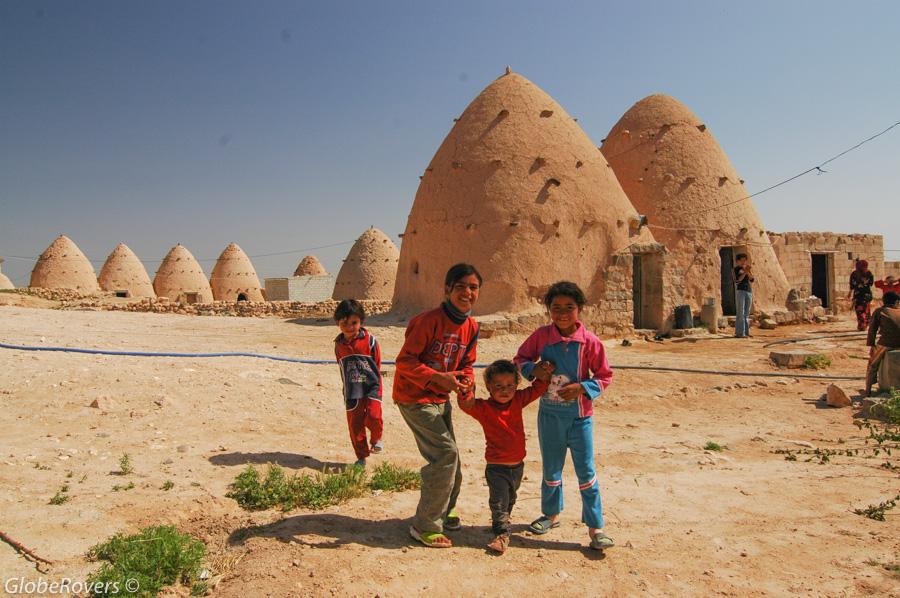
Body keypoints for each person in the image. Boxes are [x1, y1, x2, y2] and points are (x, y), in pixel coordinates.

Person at [514, 281, 615, 551]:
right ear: (548, 310)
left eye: (569, 307)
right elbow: (520, 359)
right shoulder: (542, 337)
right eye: (556, 308)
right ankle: (550, 514)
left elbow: (605, 376)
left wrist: (583, 388)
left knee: (586, 471)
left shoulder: (590, 343)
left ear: (579, 309)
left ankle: (596, 527)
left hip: (580, 418)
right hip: (549, 416)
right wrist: (534, 371)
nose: (562, 313)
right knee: (551, 468)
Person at [394, 263, 481, 548]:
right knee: (445, 455)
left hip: (440, 398)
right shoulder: (427, 321)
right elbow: (405, 362)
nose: (467, 293)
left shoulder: (471, 327)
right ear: (446, 290)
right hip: (414, 396)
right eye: (460, 287)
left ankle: (445, 509)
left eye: (473, 287)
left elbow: (466, 363)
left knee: (452, 457)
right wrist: (437, 378)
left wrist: (467, 381)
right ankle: (425, 525)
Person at [457, 359, 553, 554]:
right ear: (489, 387)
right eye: (498, 386)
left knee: (510, 499)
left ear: (517, 386)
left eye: (510, 385)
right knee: (499, 501)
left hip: (517, 466)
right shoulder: (484, 408)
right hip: (496, 467)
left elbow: (537, 389)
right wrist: (467, 391)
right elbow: (467, 405)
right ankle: (502, 534)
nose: (505, 390)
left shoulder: (518, 400)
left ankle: (502, 522)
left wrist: (544, 373)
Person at [333, 299, 383, 467]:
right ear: (338, 323)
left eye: (354, 323)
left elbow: (377, 363)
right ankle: (361, 457)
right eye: (344, 323)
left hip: (371, 387)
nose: (349, 327)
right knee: (355, 426)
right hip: (352, 390)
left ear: (361, 322)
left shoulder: (370, 341)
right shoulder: (338, 346)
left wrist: (374, 383)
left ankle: (376, 439)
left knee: (374, 416)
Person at [866, 291, 900, 396]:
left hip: (887, 343)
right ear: (896, 302)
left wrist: (871, 345)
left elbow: (872, 330)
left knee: (872, 364)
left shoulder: (880, 311)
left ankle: (868, 389)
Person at [849, 260, 875, 331]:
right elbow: (871, 283)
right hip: (867, 294)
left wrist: (850, 293)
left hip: (858, 294)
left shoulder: (854, 273)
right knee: (866, 309)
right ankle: (866, 324)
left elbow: (852, 285)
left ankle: (862, 325)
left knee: (859, 310)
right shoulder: (869, 273)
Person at [733, 253, 754, 338]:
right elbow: (737, 281)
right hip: (740, 291)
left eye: (744, 260)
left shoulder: (746, 269)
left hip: (748, 291)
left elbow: (752, 279)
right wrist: (745, 272)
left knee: (746, 313)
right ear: (737, 261)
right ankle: (739, 333)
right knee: (740, 312)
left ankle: (746, 332)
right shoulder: (735, 269)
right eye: (741, 260)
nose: (743, 262)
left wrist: (748, 271)